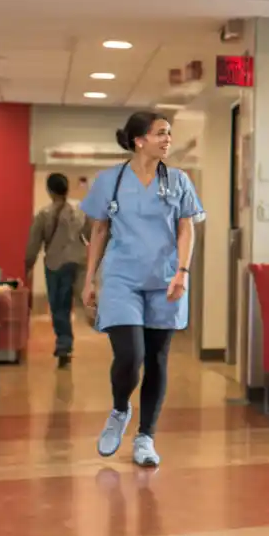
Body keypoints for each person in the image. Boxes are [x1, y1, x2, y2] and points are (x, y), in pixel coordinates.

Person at [80, 111, 204, 468]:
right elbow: (100, 231)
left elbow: (186, 229)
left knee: (156, 360)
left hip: (165, 279)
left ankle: (145, 437)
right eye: (161, 133)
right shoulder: (110, 181)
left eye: (169, 134)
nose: (168, 140)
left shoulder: (178, 180)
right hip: (122, 280)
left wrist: (182, 270)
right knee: (130, 355)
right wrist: (90, 279)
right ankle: (120, 410)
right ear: (139, 140)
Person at [25, 173, 89, 367]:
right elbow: (91, 234)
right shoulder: (79, 209)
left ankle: (64, 346)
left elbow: (34, 243)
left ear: (50, 190)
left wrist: (28, 265)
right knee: (75, 301)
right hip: (78, 262)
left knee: (59, 306)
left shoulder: (44, 214)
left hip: (55, 265)